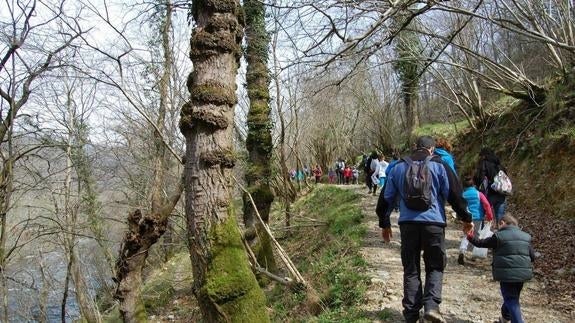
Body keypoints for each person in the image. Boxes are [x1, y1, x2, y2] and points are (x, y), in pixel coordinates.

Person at [376, 136, 473, 323]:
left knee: (411, 268)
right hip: (434, 225)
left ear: (414, 148)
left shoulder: (398, 167)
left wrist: (385, 223)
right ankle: (431, 306)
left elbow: (386, 199)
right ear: (432, 149)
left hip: (408, 225)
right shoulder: (440, 165)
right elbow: (455, 194)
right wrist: (466, 218)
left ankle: (411, 314)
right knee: (435, 265)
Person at [467, 214, 534, 323]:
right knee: (512, 297)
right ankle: (505, 318)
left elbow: (481, 243)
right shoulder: (526, 236)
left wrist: (470, 237)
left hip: (507, 274)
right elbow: (532, 256)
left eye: (498, 225)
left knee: (510, 299)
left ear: (502, 223)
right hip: (523, 274)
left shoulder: (499, 236)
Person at [458, 175, 494, 265]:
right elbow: (486, 205)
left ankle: (462, 250)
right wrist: (490, 216)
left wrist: (460, 216)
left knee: (467, 234)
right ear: (473, 185)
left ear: (464, 186)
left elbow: (459, 206)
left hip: (466, 217)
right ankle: (473, 254)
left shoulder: (463, 195)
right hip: (478, 217)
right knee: (476, 235)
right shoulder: (479, 194)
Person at [474, 148, 507, 227]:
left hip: (488, 194)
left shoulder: (484, 163)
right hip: (501, 194)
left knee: (481, 213)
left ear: (484, 156)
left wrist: (477, 186)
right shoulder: (500, 165)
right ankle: (501, 237)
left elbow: (480, 178)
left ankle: (478, 235)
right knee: (500, 218)